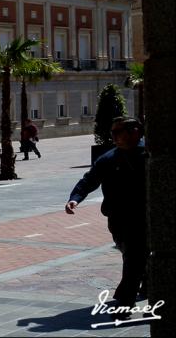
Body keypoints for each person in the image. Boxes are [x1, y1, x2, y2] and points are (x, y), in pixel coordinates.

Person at [65, 117, 147, 313]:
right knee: (134, 255)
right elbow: (89, 180)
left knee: (135, 256)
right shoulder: (108, 159)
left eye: (118, 132)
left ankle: (125, 300)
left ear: (134, 132)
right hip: (119, 219)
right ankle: (146, 281)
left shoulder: (149, 155)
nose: (113, 136)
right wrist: (75, 198)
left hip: (145, 216)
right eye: (112, 133)